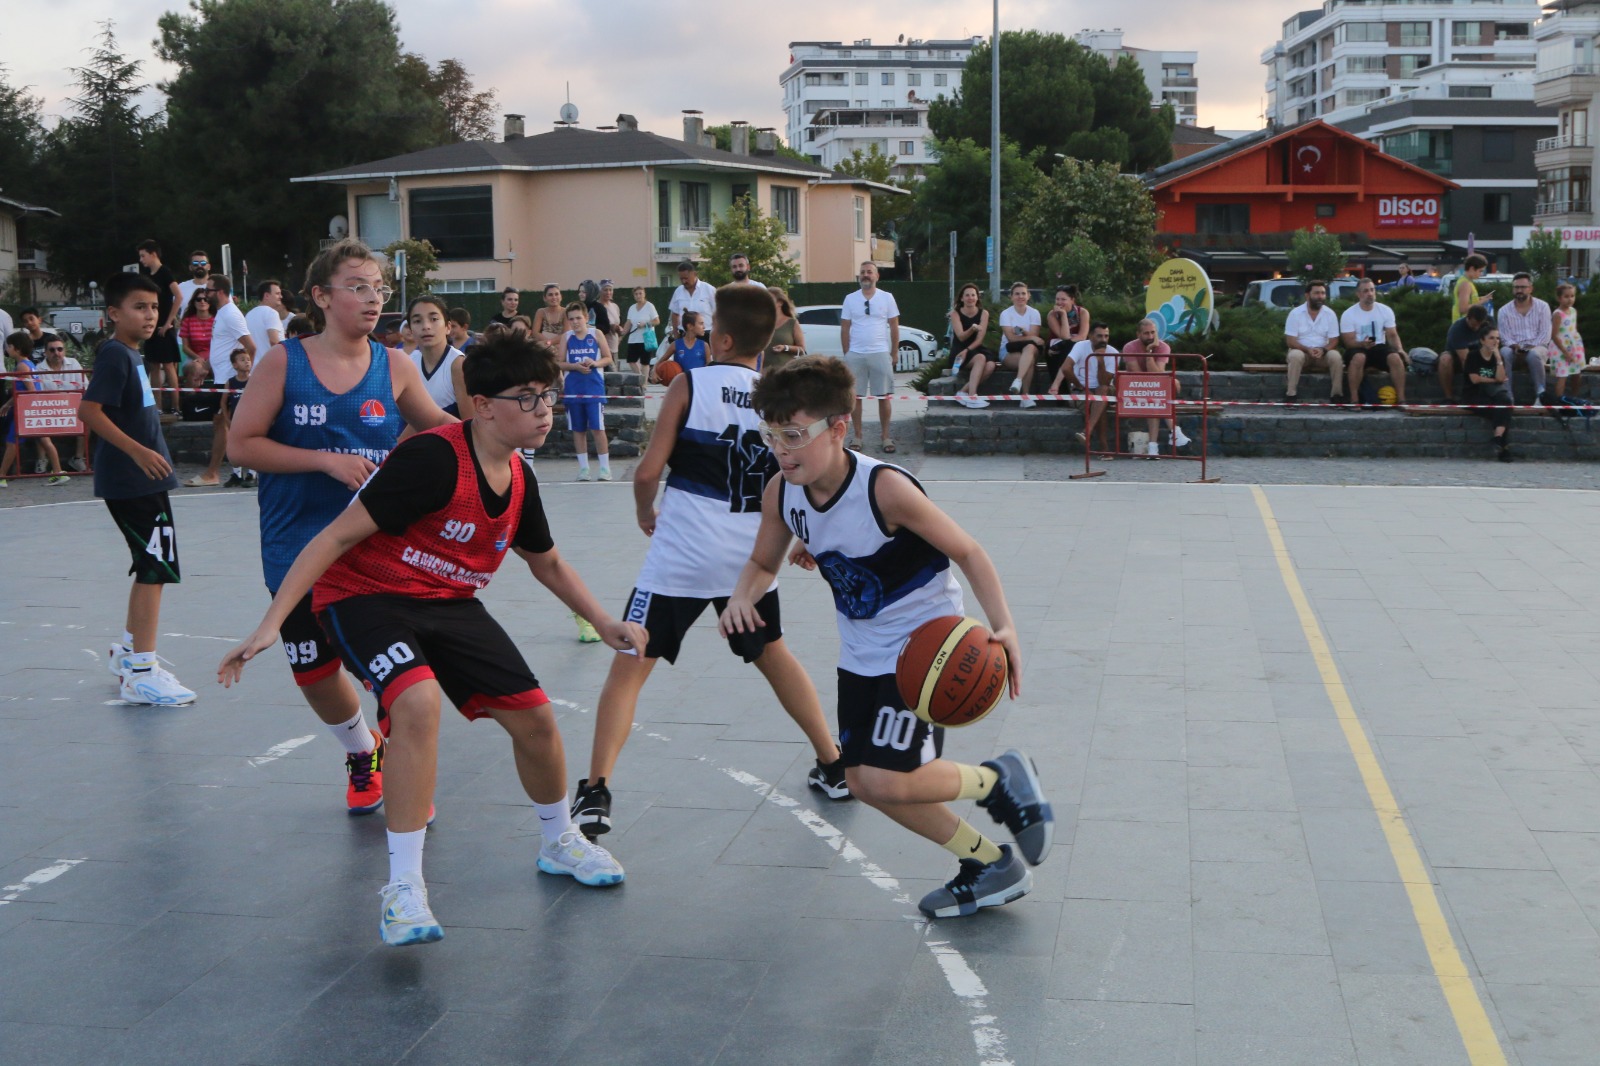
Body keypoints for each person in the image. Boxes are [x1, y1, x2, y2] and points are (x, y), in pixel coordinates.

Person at [219, 331, 640, 946]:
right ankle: (404, 888)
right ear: (483, 404)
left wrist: (603, 621)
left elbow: (545, 561)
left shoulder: (520, 478)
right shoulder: (432, 459)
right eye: (527, 398)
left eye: (546, 396)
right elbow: (334, 538)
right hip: (365, 595)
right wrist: (270, 623)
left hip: (447, 602)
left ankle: (558, 841)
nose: (545, 409)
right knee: (417, 703)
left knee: (537, 721)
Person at [720, 355, 1053, 919]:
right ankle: (990, 861)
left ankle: (998, 785)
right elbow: (761, 560)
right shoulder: (784, 491)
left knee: (892, 781)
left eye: (795, 434)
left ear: (839, 427)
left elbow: (967, 550)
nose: (780, 447)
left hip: (926, 652)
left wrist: (1006, 626)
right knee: (863, 782)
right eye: (771, 434)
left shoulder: (885, 490)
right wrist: (740, 595)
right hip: (862, 652)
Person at [570, 284, 848, 842]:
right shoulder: (776, 397)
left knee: (629, 668)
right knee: (775, 656)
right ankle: (834, 763)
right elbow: (808, 473)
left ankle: (596, 791)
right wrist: (804, 534)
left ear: (718, 338)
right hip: (749, 559)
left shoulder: (690, 384)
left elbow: (648, 472)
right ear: (765, 342)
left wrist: (646, 511)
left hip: (682, 556)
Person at [226, 237, 455, 816]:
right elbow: (241, 444)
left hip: (373, 546)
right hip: (294, 539)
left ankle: (405, 775)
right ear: (322, 297)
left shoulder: (395, 365)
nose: (373, 298)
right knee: (314, 670)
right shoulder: (285, 361)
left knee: (392, 668)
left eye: (378, 288)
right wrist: (326, 459)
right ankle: (362, 751)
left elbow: (439, 429)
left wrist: (497, 422)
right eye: (357, 287)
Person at [75, 272, 194, 704]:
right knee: (155, 568)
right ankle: (142, 671)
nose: (149, 315)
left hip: (145, 480)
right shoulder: (114, 355)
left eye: (154, 307)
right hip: (133, 481)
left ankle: (129, 651)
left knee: (153, 565)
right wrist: (138, 452)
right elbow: (89, 411)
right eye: (139, 307)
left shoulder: (129, 354)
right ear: (113, 313)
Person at [186, 275, 255, 488]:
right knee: (221, 424)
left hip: (229, 380)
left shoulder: (231, 314)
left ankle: (217, 472)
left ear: (221, 292)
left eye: (209, 290)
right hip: (221, 377)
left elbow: (250, 346)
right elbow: (220, 348)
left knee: (224, 424)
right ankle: (228, 471)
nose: (205, 295)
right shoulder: (223, 313)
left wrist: (245, 375)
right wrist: (205, 369)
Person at [840, 260, 900, 452]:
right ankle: (857, 437)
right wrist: (847, 352)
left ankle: (885, 437)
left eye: (869, 272)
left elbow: (894, 326)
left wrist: (894, 352)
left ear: (876, 276)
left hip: (880, 352)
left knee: (884, 397)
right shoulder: (850, 299)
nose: (866, 275)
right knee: (855, 397)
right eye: (863, 272)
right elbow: (845, 327)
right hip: (856, 354)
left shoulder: (887, 298)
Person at [1, 332, 69, 487]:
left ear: (16, 349)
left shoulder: (21, 366)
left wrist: (13, 404)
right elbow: (26, 390)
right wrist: (8, 404)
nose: (7, 348)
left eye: (9, 346)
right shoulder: (29, 364)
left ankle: (1, 476)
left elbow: (29, 390)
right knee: (45, 441)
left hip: (25, 411)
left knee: (11, 443)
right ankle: (58, 472)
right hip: (32, 409)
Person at [1119, 317, 1190, 456]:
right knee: (1154, 395)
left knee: (1156, 395)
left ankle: (1153, 447)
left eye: (1153, 332)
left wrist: (1149, 353)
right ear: (1138, 334)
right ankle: (1174, 432)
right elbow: (1138, 375)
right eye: (1146, 333)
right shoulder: (1129, 347)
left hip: (1154, 389)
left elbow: (1159, 374)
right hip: (1134, 388)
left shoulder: (1163, 347)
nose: (1150, 336)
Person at [560, 300, 613, 483]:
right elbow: (558, 363)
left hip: (594, 388)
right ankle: (584, 468)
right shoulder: (566, 337)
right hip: (573, 389)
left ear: (586, 318)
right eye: (571, 319)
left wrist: (595, 363)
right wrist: (574, 366)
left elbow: (608, 358)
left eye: (578, 318)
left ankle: (605, 467)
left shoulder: (596, 333)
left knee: (598, 428)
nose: (575, 322)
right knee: (578, 429)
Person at [1340, 278, 1409, 406]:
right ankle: (1354, 400)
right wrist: (1362, 344)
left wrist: (1400, 350)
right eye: (1365, 291)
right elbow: (1348, 342)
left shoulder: (1385, 310)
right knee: (1359, 357)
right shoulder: (1349, 314)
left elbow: (1392, 335)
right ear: (1358, 294)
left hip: (1378, 347)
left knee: (1395, 357)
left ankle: (1401, 399)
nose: (1370, 293)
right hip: (1358, 347)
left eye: (1372, 290)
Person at [1055, 324, 1118, 456]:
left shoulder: (1113, 353)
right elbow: (1066, 368)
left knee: (1102, 391)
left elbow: (1105, 381)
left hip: (1104, 388)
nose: (1103, 340)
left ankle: (1086, 432)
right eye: (1099, 336)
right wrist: (1079, 386)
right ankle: (1104, 448)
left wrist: (1100, 361)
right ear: (1090, 336)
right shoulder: (1080, 346)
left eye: (1106, 336)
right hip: (1082, 389)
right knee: (1098, 404)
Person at [136, 241, 184, 416]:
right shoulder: (148, 275)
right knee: (154, 365)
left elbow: (178, 296)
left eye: (143, 256)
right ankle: (158, 406)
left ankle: (176, 406)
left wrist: (168, 322)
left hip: (164, 325)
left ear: (153, 253)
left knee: (169, 365)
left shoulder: (165, 272)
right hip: (152, 326)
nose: (142, 260)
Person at [1283, 280, 1346, 405]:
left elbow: (1334, 340)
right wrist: (1307, 350)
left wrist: (1323, 350)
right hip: (1302, 352)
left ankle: (1337, 395)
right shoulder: (1295, 314)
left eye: (1323, 293)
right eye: (1317, 293)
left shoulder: (1330, 314)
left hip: (1322, 353)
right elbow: (1290, 341)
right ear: (1307, 295)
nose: (1320, 296)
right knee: (1295, 355)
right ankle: (1291, 395)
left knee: (1336, 357)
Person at [32, 335, 88, 471]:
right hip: (49, 410)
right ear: (45, 352)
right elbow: (37, 395)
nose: (56, 353)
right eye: (52, 350)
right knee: (35, 418)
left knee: (89, 418)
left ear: (64, 350)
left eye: (59, 349)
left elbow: (85, 386)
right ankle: (42, 459)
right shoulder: (39, 369)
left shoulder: (74, 363)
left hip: (73, 408)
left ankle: (78, 458)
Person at [407, 295, 467, 418]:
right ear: (411, 331)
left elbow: (471, 424)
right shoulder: (409, 362)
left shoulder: (458, 365)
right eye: (417, 321)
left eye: (434, 319)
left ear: (448, 327)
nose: (426, 326)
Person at [1498, 272, 1552, 406]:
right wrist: (1514, 346)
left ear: (1530, 288)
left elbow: (1545, 334)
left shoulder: (1543, 307)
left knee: (1534, 355)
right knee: (1504, 353)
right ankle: (1507, 396)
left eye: (1523, 287)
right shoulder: (1504, 311)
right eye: (1516, 287)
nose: (1519, 290)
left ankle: (1540, 395)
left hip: (1537, 347)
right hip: (1513, 348)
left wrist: (1529, 348)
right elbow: (1504, 336)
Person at [1463, 325, 1514, 462]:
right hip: (1475, 394)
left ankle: (1497, 438)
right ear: (1482, 340)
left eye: (1497, 338)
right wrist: (1494, 379)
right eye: (1491, 338)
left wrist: (1498, 358)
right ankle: (1504, 448)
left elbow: (1501, 377)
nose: (1495, 341)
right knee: (1503, 411)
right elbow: (1475, 379)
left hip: (1493, 393)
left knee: (1506, 403)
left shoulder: (1499, 356)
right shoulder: (1473, 355)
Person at [948, 282, 994, 410]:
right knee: (980, 358)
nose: (970, 298)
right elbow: (961, 336)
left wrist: (968, 350)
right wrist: (972, 329)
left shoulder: (984, 313)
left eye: (973, 295)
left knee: (990, 365)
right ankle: (972, 396)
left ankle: (963, 392)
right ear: (962, 298)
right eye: (967, 295)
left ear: (977, 297)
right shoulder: (955, 314)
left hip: (974, 347)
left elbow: (980, 340)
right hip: (959, 350)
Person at [997, 282, 1042, 409]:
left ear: (1028, 296)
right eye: (1017, 294)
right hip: (1009, 350)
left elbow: (1034, 339)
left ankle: (1018, 381)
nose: (1020, 296)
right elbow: (1011, 338)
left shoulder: (1034, 313)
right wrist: (1031, 337)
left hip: (1029, 349)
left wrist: (1027, 335)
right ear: (1011, 297)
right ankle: (1025, 396)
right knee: (1030, 360)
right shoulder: (1006, 314)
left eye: (1023, 293)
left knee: (1030, 348)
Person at [1438, 304, 1492, 403]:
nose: (1476, 328)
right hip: (1458, 357)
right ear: (1468, 318)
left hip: (1480, 354)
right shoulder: (1457, 329)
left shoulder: (1489, 322)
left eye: (1480, 325)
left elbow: (1493, 344)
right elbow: (1465, 359)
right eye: (1473, 325)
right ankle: (1449, 397)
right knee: (1445, 359)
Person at [1044, 284, 1090, 387]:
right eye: (1057, 299)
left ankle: (1058, 384)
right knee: (1062, 351)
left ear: (1072, 300)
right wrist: (1063, 315)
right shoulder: (1052, 315)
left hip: (1072, 347)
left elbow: (1082, 336)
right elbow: (1064, 336)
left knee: (1069, 348)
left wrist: (1062, 344)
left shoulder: (1083, 312)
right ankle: (1059, 391)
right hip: (1055, 346)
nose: (1059, 302)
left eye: (1063, 299)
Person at [1550, 283, 1586, 402]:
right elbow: (1554, 335)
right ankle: (1559, 402)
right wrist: (1565, 352)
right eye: (1566, 296)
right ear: (1559, 298)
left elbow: (1572, 329)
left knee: (1577, 373)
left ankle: (1574, 399)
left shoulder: (1573, 311)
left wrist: (1576, 347)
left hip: (1574, 346)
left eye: (1572, 296)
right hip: (1561, 348)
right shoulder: (1558, 314)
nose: (1570, 299)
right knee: (1563, 375)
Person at [245, 279, 287, 367]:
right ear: (267, 295)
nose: (281, 296)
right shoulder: (271, 313)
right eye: (277, 294)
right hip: (269, 368)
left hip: (253, 369)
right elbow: (274, 341)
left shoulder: (249, 314)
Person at [764, 287, 806, 374]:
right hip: (763, 373)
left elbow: (802, 349)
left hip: (785, 373)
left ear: (780, 302)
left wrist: (785, 348)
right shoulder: (762, 322)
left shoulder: (792, 323)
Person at [668, 260, 716, 336]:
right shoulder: (678, 291)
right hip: (684, 334)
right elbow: (675, 313)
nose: (684, 281)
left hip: (705, 334)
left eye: (686, 278)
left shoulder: (709, 289)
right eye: (681, 279)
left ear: (695, 274)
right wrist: (675, 332)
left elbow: (718, 312)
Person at [623, 286, 660, 376]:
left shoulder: (649, 306)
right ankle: (639, 377)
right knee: (631, 360)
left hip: (646, 339)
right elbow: (629, 322)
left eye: (640, 293)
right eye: (636, 294)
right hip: (633, 339)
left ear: (644, 294)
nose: (638, 296)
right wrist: (622, 333)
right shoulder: (632, 308)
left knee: (645, 362)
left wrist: (646, 324)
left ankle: (644, 384)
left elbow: (657, 321)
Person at [177, 288, 214, 372]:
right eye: (198, 299)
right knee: (196, 369)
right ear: (194, 302)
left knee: (219, 368)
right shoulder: (187, 321)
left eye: (206, 299)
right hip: (193, 357)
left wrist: (210, 360)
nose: (202, 302)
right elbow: (185, 348)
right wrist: (198, 358)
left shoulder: (217, 320)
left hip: (213, 357)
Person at [1452, 254, 1487, 324]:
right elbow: (1463, 309)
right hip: (1463, 325)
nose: (1481, 274)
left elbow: (1468, 302)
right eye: (1480, 271)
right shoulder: (1465, 284)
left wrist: (1479, 299)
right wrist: (1480, 302)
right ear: (1472, 268)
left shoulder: (1466, 282)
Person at [176, 250, 211, 318]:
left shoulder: (218, 287)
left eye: (203, 263)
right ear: (190, 267)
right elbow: (171, 308)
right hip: (186, 328)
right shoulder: (181, 287)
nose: (199, 265)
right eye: (195, 263)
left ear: (209, 266)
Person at [597, 280, 624, 355]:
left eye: (610, 290)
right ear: (600, 291)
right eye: (605, 290)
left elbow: (620, 324)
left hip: (614, 347)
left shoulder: (615, 307)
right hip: (602, 348)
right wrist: (611, 327)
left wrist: (619, 332)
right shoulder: (597, 307)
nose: (608, 292)